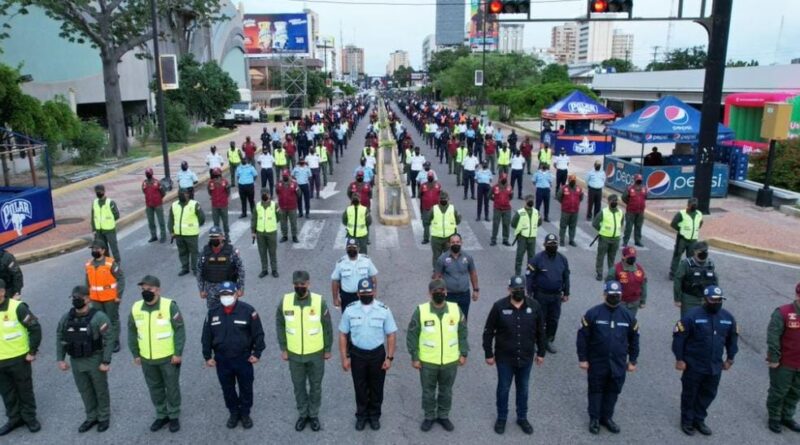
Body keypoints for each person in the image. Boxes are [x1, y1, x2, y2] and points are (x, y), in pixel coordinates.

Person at [482, 275, 545, 435]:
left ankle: (522, 417)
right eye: (515, 289)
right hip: (504, 358)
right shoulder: (499, 307)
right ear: (509, 289)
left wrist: (541, 353)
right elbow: (488, 331)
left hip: (526, 356)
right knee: (503, 388)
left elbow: (540, 332)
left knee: (523, 389)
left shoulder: (535, 306)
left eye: (521, 289)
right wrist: (488, 353)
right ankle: (501, 418)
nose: (518, 292)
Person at [672, 285, 738, 436]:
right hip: (693, 364)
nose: (716, 302)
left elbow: (732, 339)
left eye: (719, 300)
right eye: (713, 299)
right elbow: (679, 338)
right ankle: (687, 420)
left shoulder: (727, 318)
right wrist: (679, 359)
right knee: (690, 393)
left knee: (708, 393)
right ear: (705, 299)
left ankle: (699, 419)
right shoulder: (691, 316)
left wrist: (730, 358)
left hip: (715, 366)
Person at [577, 280, 640, 435]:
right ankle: (594, 419)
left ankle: (607, 417)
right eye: (611, 295)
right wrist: (583, 359)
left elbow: (634, 339)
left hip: (618, 362)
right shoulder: (593, 314)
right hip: (597, 361)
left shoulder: (628, 316)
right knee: (596, 390)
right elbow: (583, 337)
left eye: (617, 295)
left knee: (613, 391)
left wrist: (633, 360)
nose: (614, 297)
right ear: (604, 295)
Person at [406, 279, 469, 432]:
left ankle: (443, 415)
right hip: (428, 361)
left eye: (442, 291)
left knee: (446, 390)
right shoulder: (421, 311)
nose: (439, 294)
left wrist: (464, 352)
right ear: (430, 294)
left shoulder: (455, 309)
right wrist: (415, 356)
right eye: (436, 292)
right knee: (428, 391)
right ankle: (429, 416)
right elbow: (412, 335)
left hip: (450, 360)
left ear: (446, 292)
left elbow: (462, 332)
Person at [202, 281, 265, 430]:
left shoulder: (248, 311)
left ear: (236, 294)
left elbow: (258, 333)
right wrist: (207, 356)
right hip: (222, 359)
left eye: (229, 294)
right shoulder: (213, 312)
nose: (226, 297)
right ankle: (234, 412)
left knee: (246, 387)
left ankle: (245, 413)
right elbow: (206, 336)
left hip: (243, 358)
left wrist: (257, 353)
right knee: (227, 388)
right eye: (223, 294)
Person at [276, 271, 333, 432]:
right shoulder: (286, 301)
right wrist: (284, 348)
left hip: (316, 353)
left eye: (302, 284)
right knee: (298, 386)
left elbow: (327, 326)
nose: (299, 287)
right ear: (293, 284)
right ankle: (303, 414)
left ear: (309, 284)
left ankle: (313, 415)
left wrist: (328, 348)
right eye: (296, 284)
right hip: (294, 354)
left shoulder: (319, 301)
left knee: (315, 386)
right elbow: (280, 324)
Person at [339, 278, 398, 431]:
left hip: (377, 354)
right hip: (357, 354)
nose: (366, 294)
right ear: (358, 293)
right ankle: (361, 415)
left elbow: (391, 334)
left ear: (374, 291)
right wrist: (344, 358)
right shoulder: (350, 310)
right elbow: (343, 334)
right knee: (360, 387)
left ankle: (374, 416)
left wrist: (389, 358)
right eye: (363, 292)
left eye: (369, 292)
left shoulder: (384, 309)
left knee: (377, 387)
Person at [128, 275, 185, 433]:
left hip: (168, 357)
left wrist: (178, 353)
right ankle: (162, 414)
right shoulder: (136, 308)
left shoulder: (169, 306)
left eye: (150, 289)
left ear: (158, 290)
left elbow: (179, 330)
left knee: (171, 387)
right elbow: (132, 332)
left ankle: (173, 415)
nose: (146, 292)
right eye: (143, 289)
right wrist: (136, 354)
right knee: (155, 388)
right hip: (147, 358)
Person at [56, 285, 113, 433]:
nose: (75, 300)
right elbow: (60, 337)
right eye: (73, 298)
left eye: (78, 298)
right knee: (85, 390)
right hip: (76, 361)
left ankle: (103, 416)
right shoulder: (66, 317)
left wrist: (106, 361)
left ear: (87, 299)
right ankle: (91, 417)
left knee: (100, 389)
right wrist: (60, 359)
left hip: (94, 359)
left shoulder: (99, 317)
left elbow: (109, 338)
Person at [0, 278, 41, 436]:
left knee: (25, 390)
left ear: (2, 292)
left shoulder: (18, 307)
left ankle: (30, 418)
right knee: (7, 392)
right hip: (0, 361)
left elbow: (35, 328)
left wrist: (32, 351)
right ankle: (14, 418)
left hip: (19, 359)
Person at [526, 234, 570, 353]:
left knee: (553, 320)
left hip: (556, 296)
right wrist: (528, 293)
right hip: (541, 295)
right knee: (539, 319)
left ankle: (548, 341)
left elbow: (566, 277)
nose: (552, 246)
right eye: (550, 244)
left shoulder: (562, 259)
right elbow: (529, 277)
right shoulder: (537, 259)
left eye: (554, 244)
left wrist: (566, 293)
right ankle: (535, 341)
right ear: (545, 245)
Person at [766, 282, 800, 434]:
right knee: (778, 391)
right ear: (797, 294)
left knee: (795, 392)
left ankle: (787, 416)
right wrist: (774, 358)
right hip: (784, 363)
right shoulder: (783, 312)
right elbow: (773, 337)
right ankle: (774, 417)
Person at [85, 240, 125, 353]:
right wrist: (87, 296)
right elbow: (87, 281)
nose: (94, 251)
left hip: (110, 298)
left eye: (97, 249)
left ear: (103, 250)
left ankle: (115, 341)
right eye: (93, 249)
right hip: (95, 299)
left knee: (112, 320)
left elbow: (121, 279)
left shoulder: (110, 263)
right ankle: (104, 340)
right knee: (99, 320)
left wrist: (118, 295)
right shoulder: (88, 264)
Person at [197, 226, 245, 309]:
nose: (214, 238)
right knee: (213, 314)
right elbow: (199, 270)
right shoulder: (204, 251)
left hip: (228, 288)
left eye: (216, 236)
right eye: (212, 237)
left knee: (231, 313)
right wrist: (201, 290)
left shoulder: (231, 251)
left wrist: (240, 288)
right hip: (210, 289)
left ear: (222, 237)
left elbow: (240, 269)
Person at [434, 234, 479, 319]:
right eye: (453, 242)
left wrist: (476, 290)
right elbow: (437, 277)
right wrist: (438, 294)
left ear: (461, 242)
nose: (455, 244)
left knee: (463, 319)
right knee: (448, 320)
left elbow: (473, 273)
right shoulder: (442, 259)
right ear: (449, 244)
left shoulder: (468, 257)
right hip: (449, 296)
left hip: (464, 295)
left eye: (458, 242)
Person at [331, 238, 379, 310]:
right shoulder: (340, 263)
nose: (352, 249)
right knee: (348, 317)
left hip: (364, 294)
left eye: (354, 247)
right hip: (347, 297)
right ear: (346, 249)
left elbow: (373, 278)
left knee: (365, 316)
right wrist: (335, 298)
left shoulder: (366, 260)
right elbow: (335, 281)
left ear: (359, 248)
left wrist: (374, 292)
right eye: (349, 248)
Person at [674, 241, 718, 316]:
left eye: (705, 251)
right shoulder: (686, 264)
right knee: (688, 322)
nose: (703, 253)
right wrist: (677, 299)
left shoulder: (710, 264)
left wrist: (715, 297)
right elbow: (678, 280)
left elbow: (715, 281)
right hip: (689, 299)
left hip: (705, 300)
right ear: (695, 252)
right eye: (701, 251)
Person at [168, 190, 206, 276]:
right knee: (182, 252)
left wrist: (195, 225)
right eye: (180, 193)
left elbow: (202, 218)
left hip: (191, 234)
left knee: (194, 252)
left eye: (184, 193)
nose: (181, 195)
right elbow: (171, 219)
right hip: (179, 234)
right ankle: (185, 268)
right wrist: (171, 231)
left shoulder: (194, 204)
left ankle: (195, 269)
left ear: (188, 195)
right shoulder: (174, 205)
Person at [606, 246, 647, 317]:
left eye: (633, 257)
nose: (632, 259)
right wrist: (609, 302)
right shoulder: (615, 269)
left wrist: (643, 301)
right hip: (619, 303)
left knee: (630, 322)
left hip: (634, 303)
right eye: (629, 256)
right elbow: (608, 287)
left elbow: (644, 285)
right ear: (623, 257)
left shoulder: (640, 269)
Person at [424, 192, 461, 269]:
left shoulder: (433, 209)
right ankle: (448, 270)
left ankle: (437, 272)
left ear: (438, 199)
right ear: (448, 199)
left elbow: (427, 220)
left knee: (437, 256)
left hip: (438, 238)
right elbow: (458, 221)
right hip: (448, 238)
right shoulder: (452, 209)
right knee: (448, 256)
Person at [669, 198, 703, 279]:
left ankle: (689, 273)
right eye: (692, 204)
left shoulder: (699, 213)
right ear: (688, 205)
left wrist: (694, 229)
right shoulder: (681, 214)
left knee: (691, 258)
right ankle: (673, 273)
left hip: (693, 240)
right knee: (677, 255)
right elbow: (673, 224)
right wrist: (681, 230)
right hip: (682, 239)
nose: (694, 206)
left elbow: (700, 223)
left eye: (695, 204)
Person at [592, 194, 623, 281]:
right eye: (612, 201)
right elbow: (595, 223)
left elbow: (621, 223)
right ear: (608, 202)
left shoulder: (620, 212)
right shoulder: (604, 212)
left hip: (616, 239)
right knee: (601, 256)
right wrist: (602, 230)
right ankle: (599, 273)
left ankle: (611, 273)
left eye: (616, 200)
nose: (614, 202)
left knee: (612, 257)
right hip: (604, 238)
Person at [511, 195, 542, 276]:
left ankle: (524, 273)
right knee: (524, 256)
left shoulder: (535, 212)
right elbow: (513, 224)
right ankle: (523, 273)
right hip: (524, 238)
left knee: (527, 257)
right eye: (530, 200)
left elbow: (539, 222)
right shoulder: (522, 212)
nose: (531, 201)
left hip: (529, 237)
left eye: (531, 200)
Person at [252, 191, 279, 278]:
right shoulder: (258, 205)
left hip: (271, 232)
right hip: (260, 233)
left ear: (269, 195)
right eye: (263, 194)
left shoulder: (275, 205)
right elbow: (254, 219)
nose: (265, 195)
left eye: (266, 193)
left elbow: (279, 216)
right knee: (262, 252)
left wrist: (272, 223)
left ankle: (274, 270)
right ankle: (264, 270)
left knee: (272, 252)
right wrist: (253, 232)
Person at [91, 184, 121, 263]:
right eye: (96, 192)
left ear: (104, 191)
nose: (98, 193)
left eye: (99, 192)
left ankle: (117, 263)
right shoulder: (95, 202)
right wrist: (94, 229)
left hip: (109, 230)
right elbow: (93, 216)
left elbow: (117, 215)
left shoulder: (110, 202)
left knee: (114, 247)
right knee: (103, 249)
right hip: (99, 231)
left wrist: (108, 221)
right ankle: (107, 263)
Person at [556, 174, 583, 247]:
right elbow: (558, 197)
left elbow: (581, 198)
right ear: (569, 181)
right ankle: (562, 240)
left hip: (575, 211)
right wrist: (564, 203)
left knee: (573, 226)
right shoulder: (563, 188)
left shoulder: (579, 189)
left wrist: (575, 203)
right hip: (565, 211)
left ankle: (571, 240)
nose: (573, 182)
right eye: (571, 180)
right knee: (563, 226)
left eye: (574, 181)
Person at [622, 174, 648, 247]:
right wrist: (630, 203)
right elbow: (624, 197)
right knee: (628, 227)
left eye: (640, 180)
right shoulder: (629, 188)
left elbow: (646, 197)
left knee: (638, 227)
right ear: (635, 180)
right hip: (630, 212)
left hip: (640, 212)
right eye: (637, 180)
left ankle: (637, 241)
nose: (639, 181)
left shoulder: (644, 188)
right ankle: (625, 241)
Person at [142, 168, 167, 243]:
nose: (147, 174)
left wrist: (158, 198)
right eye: (146, 173)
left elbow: (163, 192)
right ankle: (154, 236)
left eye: (148, 173)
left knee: (161, 221)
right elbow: (144, 191)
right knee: (151, 222)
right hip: (149, 205)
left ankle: (163, 236)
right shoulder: (144, 183)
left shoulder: (157, 182)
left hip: (158, 204)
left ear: (151, 174)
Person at [276, 169, 301, 242]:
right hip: (282, 207)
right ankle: (284, 236)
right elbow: (277, 192)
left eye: (286, 176)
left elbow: (299, 194)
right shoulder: (279, 184)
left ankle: (294, 236)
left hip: (292, 207)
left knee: (293, 222)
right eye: (283, 176)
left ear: (289, 176)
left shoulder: (294, 184)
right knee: (283, 222)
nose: (284, 177)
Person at [490, 173, 513, 246]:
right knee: (496, 224)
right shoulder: (495, 187)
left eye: (505, 179)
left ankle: (505, 239)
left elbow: (511, 196)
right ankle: (493, 239)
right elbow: (489, 195)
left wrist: (506, 201)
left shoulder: (509, 187)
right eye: (503, 179)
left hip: (507, 209)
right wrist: (495, 200)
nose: (504, 180)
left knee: (506, 224)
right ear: (499, 179)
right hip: (497, 208)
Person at [207, 168, 231, 240]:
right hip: (215, 205)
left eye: (217, 175)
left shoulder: (225, 182)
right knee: (216, 222)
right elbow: (210, 192)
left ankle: (227, 236)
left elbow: (228, 192)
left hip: (223, 204)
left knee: (225, 221)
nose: (217, 177)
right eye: (215, 176)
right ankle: (217, 236)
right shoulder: (211, 183)